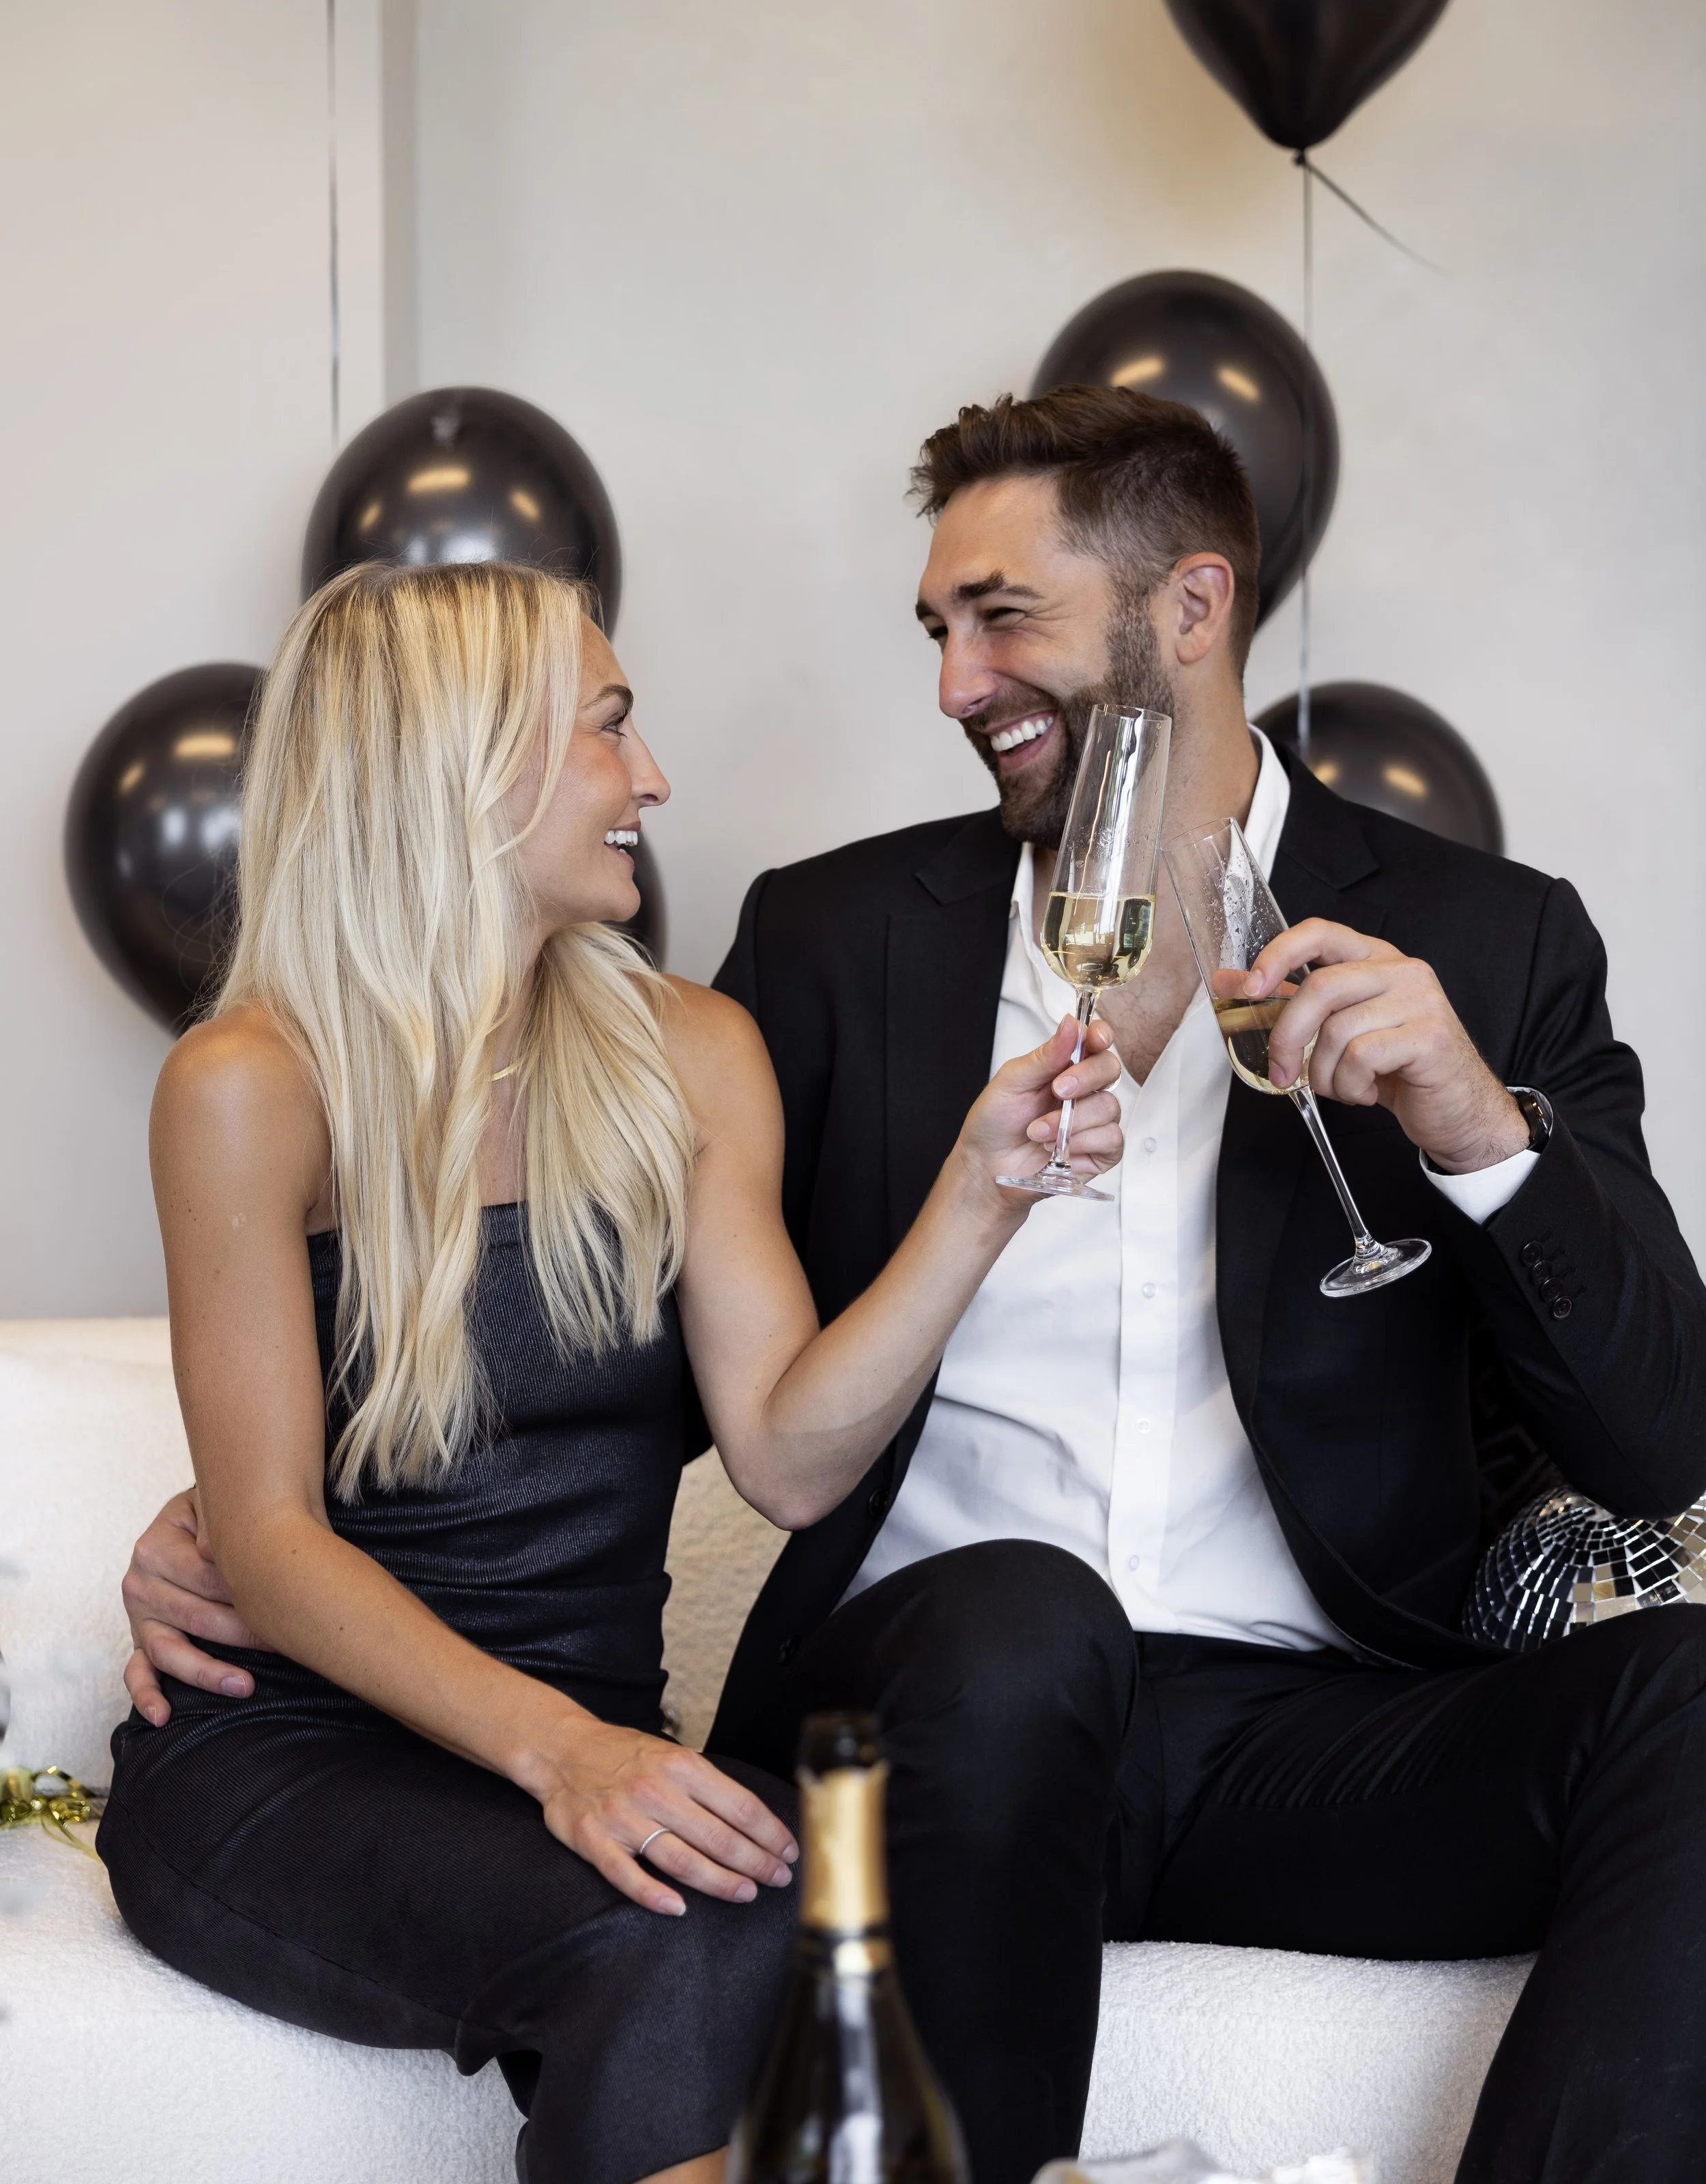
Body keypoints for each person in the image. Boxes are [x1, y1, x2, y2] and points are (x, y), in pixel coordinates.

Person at [123, 390, 1706, 2184]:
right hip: (949, 1708)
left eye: (999, 617)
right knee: (1020, 1617)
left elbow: (1655, 1444)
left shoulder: (1484, 944)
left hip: (1306, 1733)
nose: (952, 683)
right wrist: (244, 1510)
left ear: (1188, 610)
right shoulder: (823, 946)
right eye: (935, 630)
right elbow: (593, 1303)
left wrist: (1477, 1132)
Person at [98, 556, 1123, 2184]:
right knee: (689, 1942)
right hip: (285, 1763)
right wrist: (567, 1758)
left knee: (743, 1912)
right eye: (607, 727)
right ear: (462, 760)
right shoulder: (249, 1082)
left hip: (577, 1737)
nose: (650, 777)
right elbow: (270, 1540)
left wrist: (979, 1195)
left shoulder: (689, 1053)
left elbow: (785, 1457)